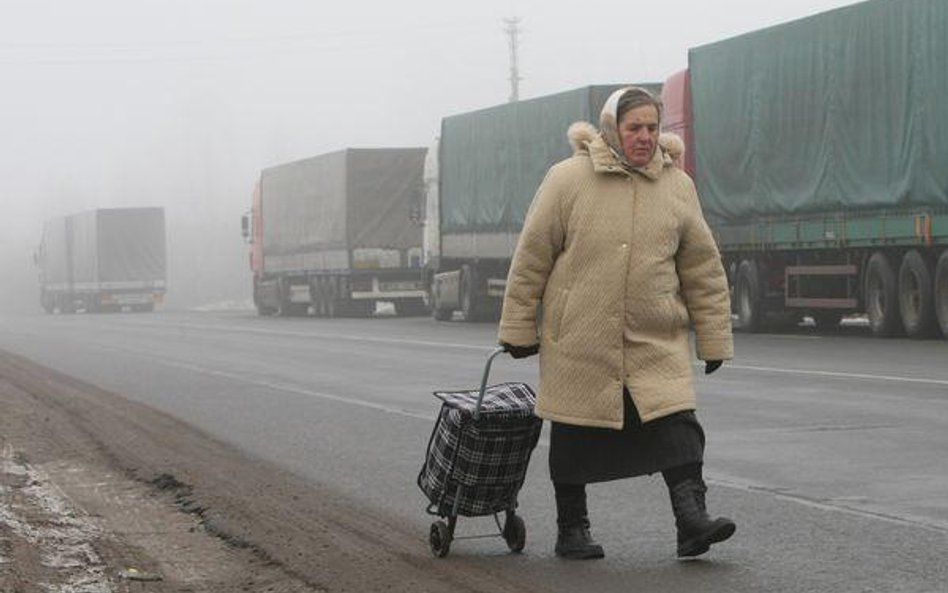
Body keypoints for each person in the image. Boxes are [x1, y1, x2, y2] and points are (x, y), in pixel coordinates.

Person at [498, 86, 735, 560]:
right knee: (575, 434)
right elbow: (532, 258)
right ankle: (572, 528)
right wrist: (519, 328)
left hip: (655, 338)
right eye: (635, 128)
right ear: (612, 130)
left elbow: (702, 269)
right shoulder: (567, 180)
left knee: (679, 425)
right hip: (580, 339)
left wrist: (713, 339)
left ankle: (691, 521)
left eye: (653, 127)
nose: (645, 137)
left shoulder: (676, 185)